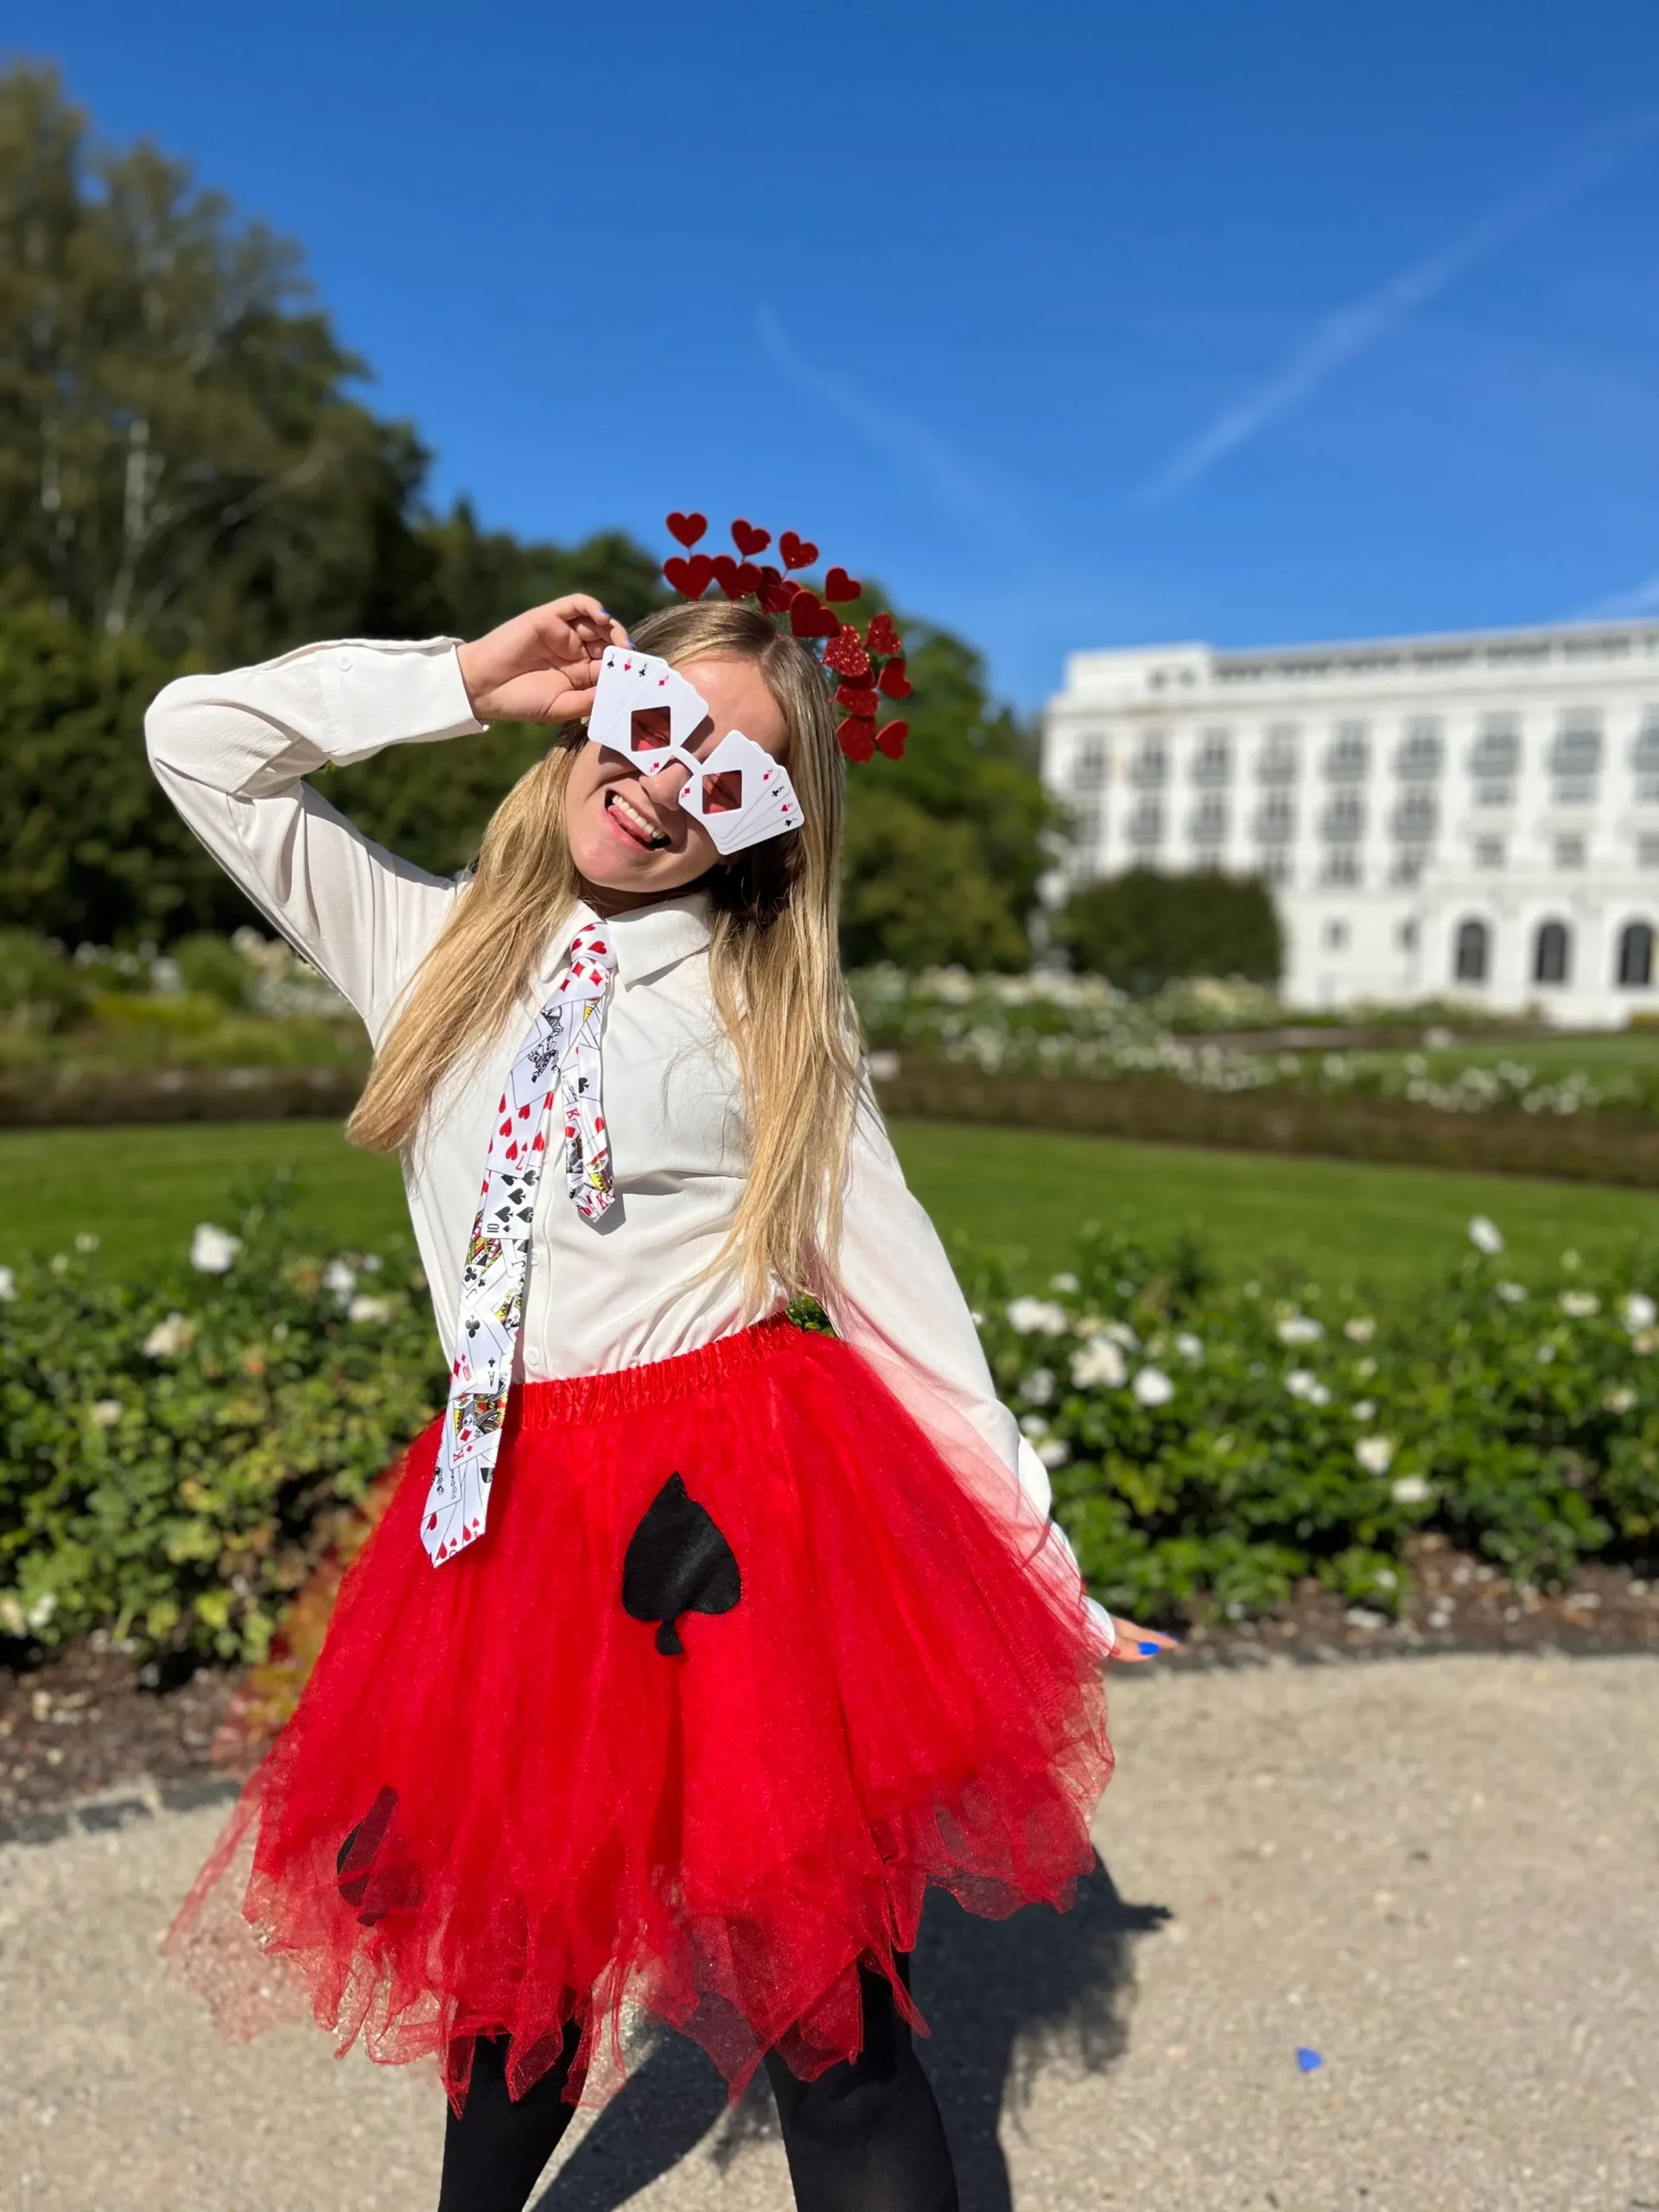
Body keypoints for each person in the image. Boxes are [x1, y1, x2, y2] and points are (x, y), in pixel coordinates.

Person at [147, 564, 1170, 2212]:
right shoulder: (423, 944)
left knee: (828, 2017)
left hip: (735, 1512)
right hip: (514, 1516)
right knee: (516, 1980)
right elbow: (194, 738)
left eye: (728, 771)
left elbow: (904, 1300)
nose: (666, 782)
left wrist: (1035, 1562)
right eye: (652, 721)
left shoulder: (768, 1005)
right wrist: (463, 682)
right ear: (588, 711)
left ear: (767, 827)